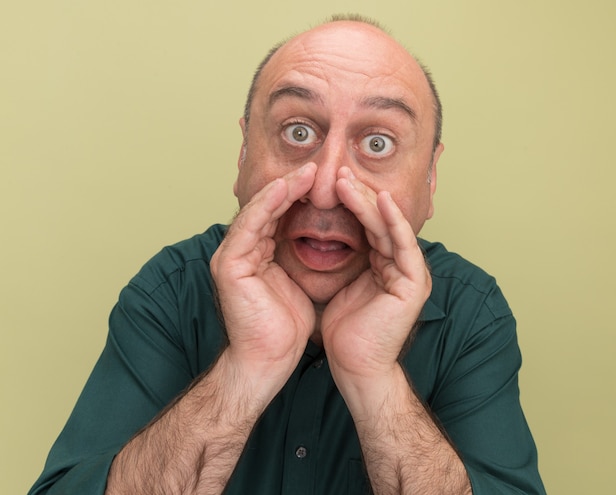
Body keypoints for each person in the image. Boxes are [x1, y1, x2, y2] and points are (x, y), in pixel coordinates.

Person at [29, 15, 545, 495]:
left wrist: (377, 385)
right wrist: (243, 373)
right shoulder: (171, 289)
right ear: (243, 155)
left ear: (430, 179)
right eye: (298, 132)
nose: (324, 190)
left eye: (379, 144)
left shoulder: (472, 311)